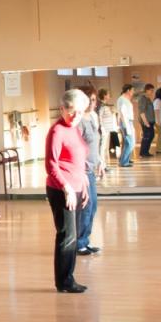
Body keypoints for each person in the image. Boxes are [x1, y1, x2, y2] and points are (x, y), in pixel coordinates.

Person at [45, 89, 91, 293]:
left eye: (79, 112)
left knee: (73, 236)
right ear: (62, 108)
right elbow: (51, 165)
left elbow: (78, 159)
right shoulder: (57, 131)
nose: (75, 116)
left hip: (77, 186)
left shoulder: (75, 128)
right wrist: (67, 188)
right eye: (71, 111)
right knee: (67, 236)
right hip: (61, 190)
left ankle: (68, 277)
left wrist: (84, 184)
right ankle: (64, 281)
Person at [75, 86, 103, 256]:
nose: (94, 103)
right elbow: (76, 146)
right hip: (83, 171)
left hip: (92, 168)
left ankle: (85, 239)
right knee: (87, 206)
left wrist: (100, 162)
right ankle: (79, 242)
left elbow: (95, 144)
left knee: (92, 207)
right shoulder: (79, 122)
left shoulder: (92, 118)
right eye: (91, 100)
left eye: (94, 100)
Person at [116, 84, 136, 168]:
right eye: (132, 90)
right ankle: (123, 162)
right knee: (130, 142)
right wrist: (126, 126)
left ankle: (125, 159)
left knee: (130, 142)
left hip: (129, 122)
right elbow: (123, 113)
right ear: (128, 90)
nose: (133, 92)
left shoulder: (125, 99)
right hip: (126, 122)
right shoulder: (122, 99)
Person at [98, 88, 119, 161]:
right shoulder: (101, 106)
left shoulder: (107, 105)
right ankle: (101, 163)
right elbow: (99, 117)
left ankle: (104, 163)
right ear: (104, 96)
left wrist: (113, 111)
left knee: (105, 147)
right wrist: (101, 128)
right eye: (108, 94)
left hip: (108, 129)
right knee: (102, 147)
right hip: (104, 129)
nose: (110, 95)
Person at [136, 84, 156, 159]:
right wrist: (146, 122)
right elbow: (141, 111)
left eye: (153, 90)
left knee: (151, 135)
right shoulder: (142, 99)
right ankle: (142, 153)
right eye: (151, 90)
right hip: (146, 121)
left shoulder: (148, 99)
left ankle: (146, 152)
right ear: (146, 90)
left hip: (151, 121)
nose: (152, 92)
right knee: (147, 136)